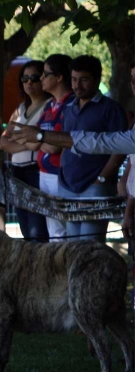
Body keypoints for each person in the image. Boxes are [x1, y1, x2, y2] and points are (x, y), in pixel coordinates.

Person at [58, 55, 127, 242]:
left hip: (95, 186)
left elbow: (121, 148)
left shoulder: (110, 109)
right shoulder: (68, 107)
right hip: (67, 185)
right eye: (73, 79)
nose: (77, 85)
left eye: (84, 80)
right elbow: (65, 141)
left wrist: (102, 178)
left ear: (97, 80)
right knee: (72, 246)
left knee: (91, 246)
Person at [0, 60, 50, 241]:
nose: (29, 82)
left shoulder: (49, 106)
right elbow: (3, 141)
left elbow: (38, 143)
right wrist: (27, 141)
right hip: (18, 173)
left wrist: (18, 138)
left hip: (35, 172)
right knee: (26, 229)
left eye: (35, 78)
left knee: (38, 231)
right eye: (25, 78)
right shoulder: (20, 108)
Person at [33, 54, 74, 241]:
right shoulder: (50, 105)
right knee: (54, 233)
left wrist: (38, 140)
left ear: (59, 77)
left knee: (65, 232)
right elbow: (32, 140)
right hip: (44, 174)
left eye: (45, 74)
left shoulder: (71, 104)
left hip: (61, 176)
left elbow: (56, 146)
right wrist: (41, 140)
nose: (41, 78)